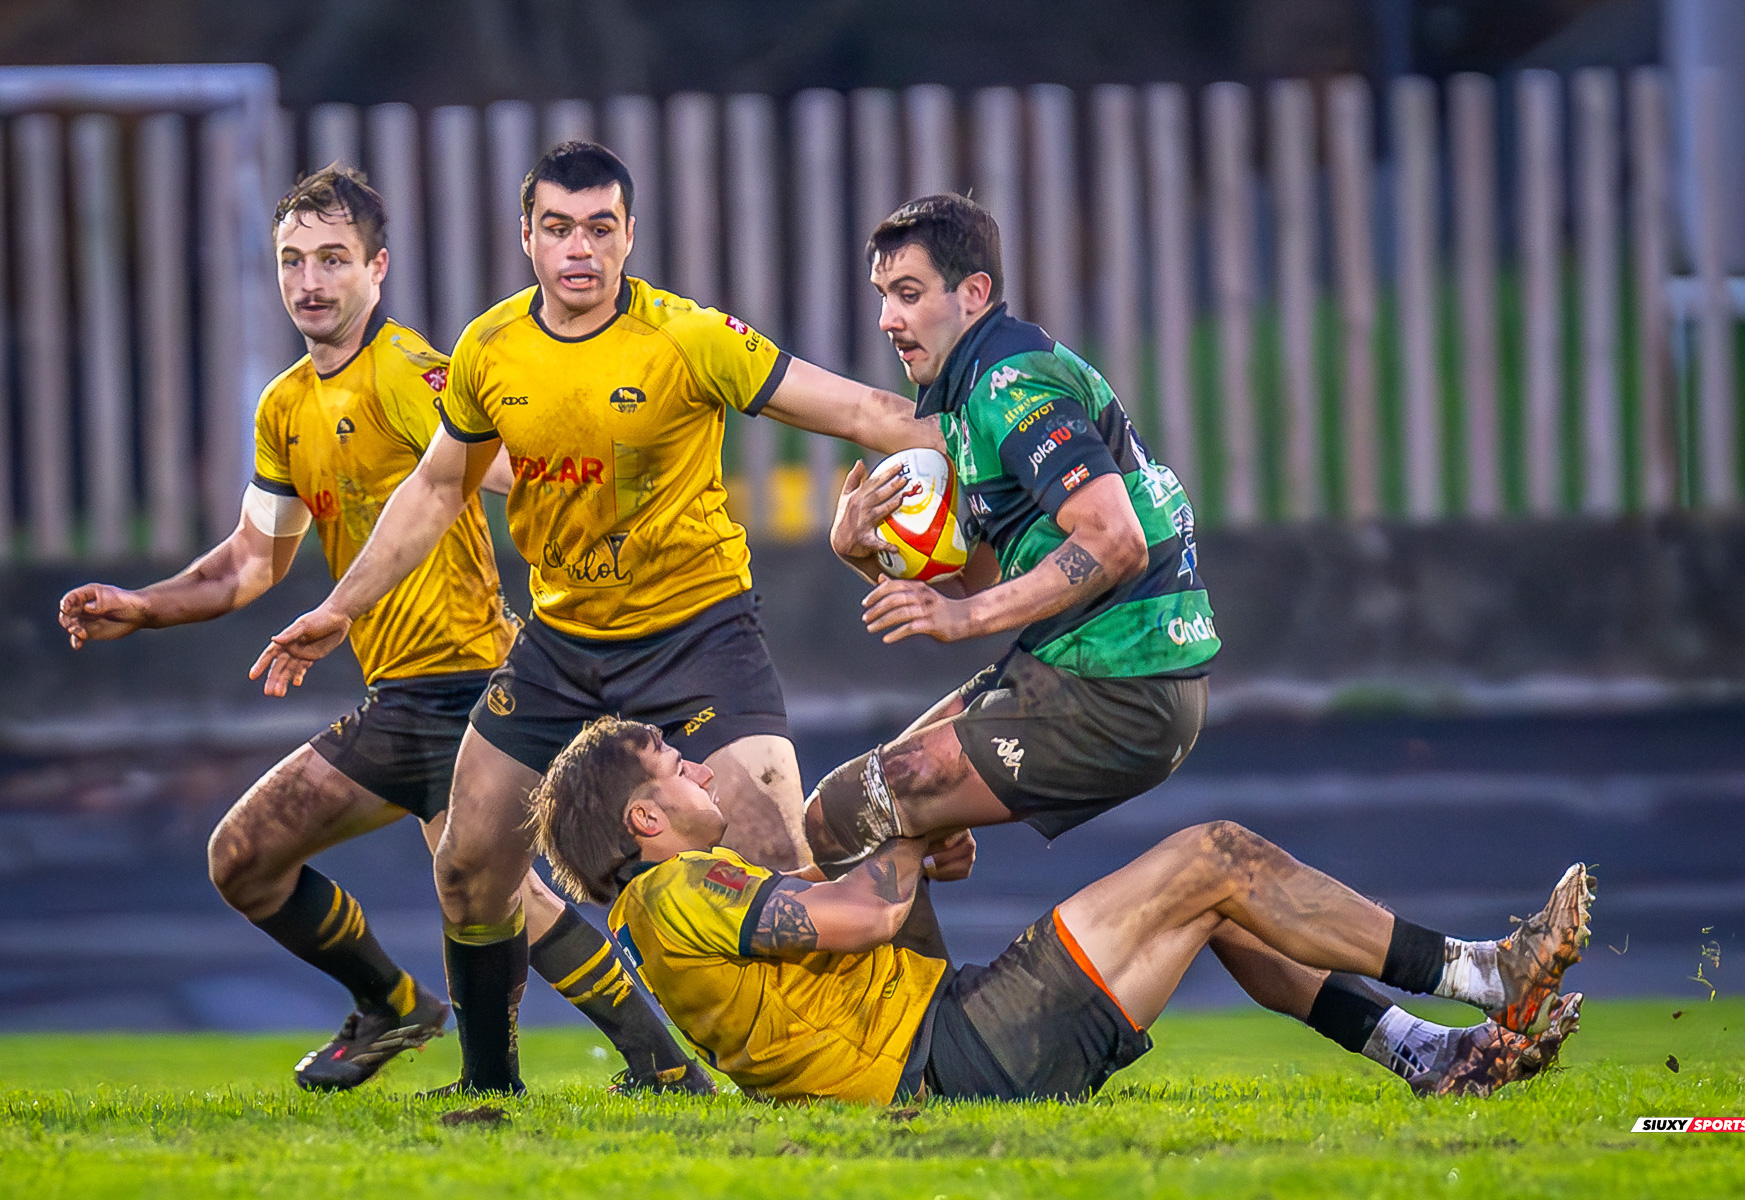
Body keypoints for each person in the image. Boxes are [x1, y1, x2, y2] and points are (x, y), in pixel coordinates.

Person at [248, 143, 941, 1095]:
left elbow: (864, 410)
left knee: (777, 857)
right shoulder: (489, 350)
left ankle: (879, 1066)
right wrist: (338, 608)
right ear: (527, 237)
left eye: (601, 229)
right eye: (560, 229)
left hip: (698, 637)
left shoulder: (688, 339)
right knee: (468, 866)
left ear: (628, 237)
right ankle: (489, 1088)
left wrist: (1011, 427)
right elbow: (439, 485)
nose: (581, 249)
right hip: (561, 647)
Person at [58, 166, 707, 1094]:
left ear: (377, 269)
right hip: (396, 697)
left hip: (474, 682)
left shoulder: (411, 373)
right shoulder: (285, 406)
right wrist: (144, 605)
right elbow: (252, 558)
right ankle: (406, 1009)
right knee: (249, 861)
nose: (311, 281)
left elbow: (523, 471)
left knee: (496, 893)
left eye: (333, 259)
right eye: (293, 261)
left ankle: (638, 1066)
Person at [531, 716, 1590, 1104]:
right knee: (1213, 857)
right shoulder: (679, 889)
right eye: (671, 765)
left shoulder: (668, 913)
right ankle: (1483, 973)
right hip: (959, 1057)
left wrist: (909, 851)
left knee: (1219, 904)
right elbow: (858, 918)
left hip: (951, 1050)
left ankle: (1424, 1054)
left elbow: (844, 910)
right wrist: (903, 817)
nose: (693, 767)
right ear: (645, 818)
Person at [807, 193, 1220, 875]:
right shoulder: (975, 390)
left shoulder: (1008, 385)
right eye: (883, 296)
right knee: (869, 825)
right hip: (1083, 663)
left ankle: (918, 989)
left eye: (908, 294)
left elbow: (1115, 541)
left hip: (1121, 684)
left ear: (974, 293)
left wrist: (963, 617)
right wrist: (861, 555)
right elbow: (986, 580)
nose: (888, 319)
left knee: (844, 817)